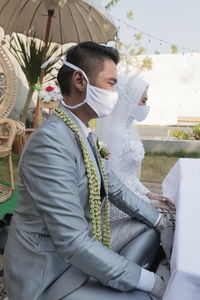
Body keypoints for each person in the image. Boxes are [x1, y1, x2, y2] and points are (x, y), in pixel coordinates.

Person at [4, 42, 173, 300]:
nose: (116, 93)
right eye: (111, 83)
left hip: (78, 247)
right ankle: (123, 278)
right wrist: (152, 283)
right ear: (80, 81)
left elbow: (113, 186)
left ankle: (118, 276)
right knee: (145, 296)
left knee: (148, 228)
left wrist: (160, 220)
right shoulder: (50, 142)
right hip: (48, 272)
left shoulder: (84, 132)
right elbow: (72, 242)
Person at [95, 74, 175, 227]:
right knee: (165, 225)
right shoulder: (116, 132)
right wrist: (148, 203)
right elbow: (115, 181)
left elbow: (128, 175)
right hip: (117, 207)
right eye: (143, 100)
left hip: (130, 198)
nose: (145, 105)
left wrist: (149, 194)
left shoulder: (127, 129)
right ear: (128, 99)